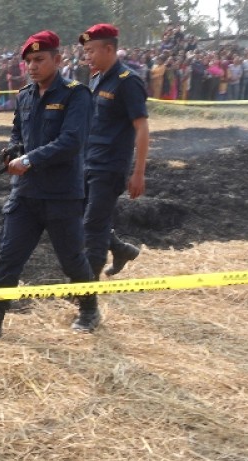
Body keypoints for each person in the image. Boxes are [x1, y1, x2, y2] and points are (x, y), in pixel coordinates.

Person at [0, 30, 99, 338]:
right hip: (26, 194)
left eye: (39, 59)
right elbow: (18, 132)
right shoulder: (25, 96)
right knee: (8, 255)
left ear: (58, 60)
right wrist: (13, 149)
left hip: (62, 194)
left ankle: (89, 310)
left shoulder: (76, 95)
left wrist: (29, 159)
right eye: (28, 61)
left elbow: (72, 142)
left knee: (72, 259)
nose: (32, 66)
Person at [79, 24, 149, 278]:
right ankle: (120, 249)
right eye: (85, 51)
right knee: (79, 217)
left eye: (91, 51)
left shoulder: (128, 82)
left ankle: (86, 290)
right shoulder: (97, 77)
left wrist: (138, 172)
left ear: (109, 49)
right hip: (88, 160)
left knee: (93, 227)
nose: (87, 56)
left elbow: (141, 128)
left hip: (109, 166)